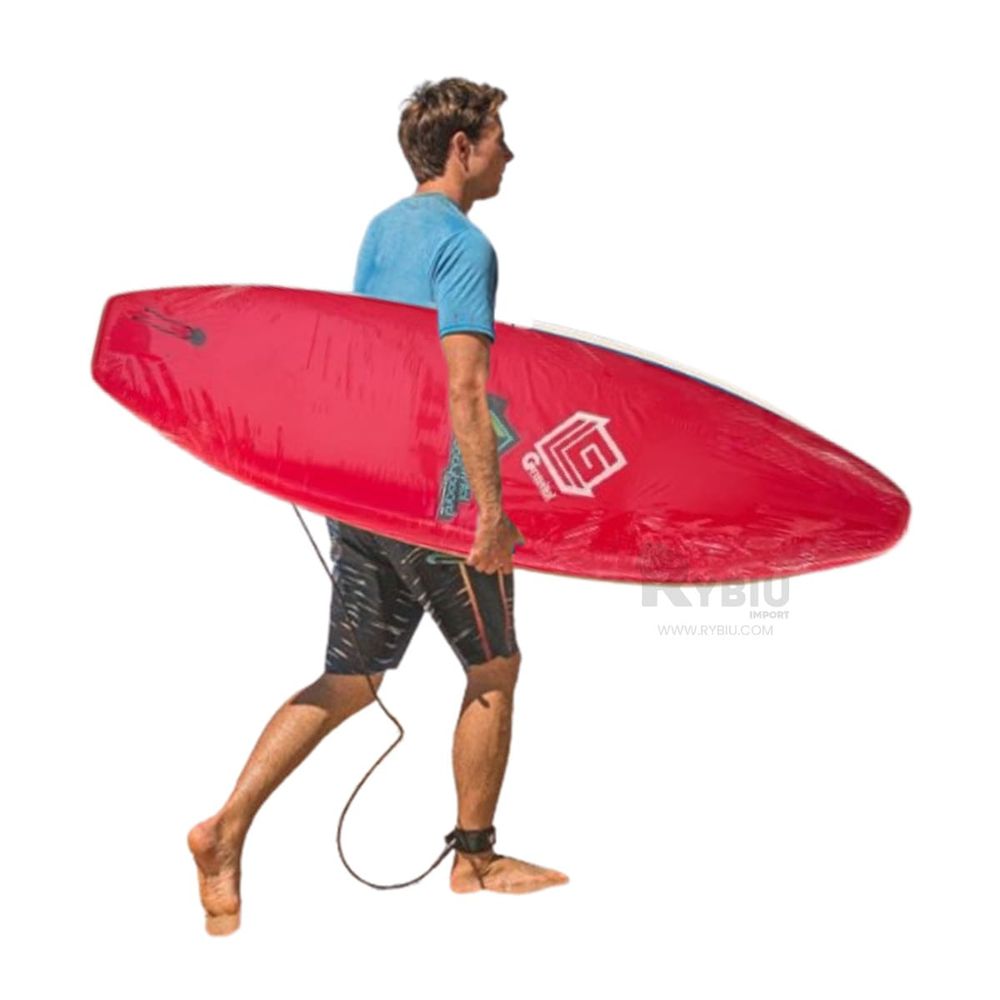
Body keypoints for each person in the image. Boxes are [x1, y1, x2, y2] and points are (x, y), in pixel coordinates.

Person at [188, 77, 568, 936]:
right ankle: (476, 858)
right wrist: (489, 514)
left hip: (361, 490)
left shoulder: (382, 230)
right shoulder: (466, 246)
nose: (511, 154)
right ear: (462, 148)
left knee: (353, 678)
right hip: (433, 503)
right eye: (499, 137)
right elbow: (464, 390)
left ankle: (224, 830)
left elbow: (365, 363)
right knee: (495, 668)